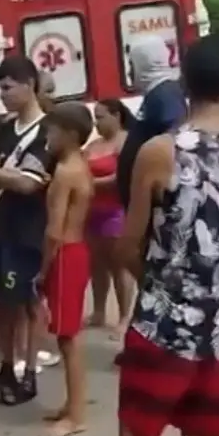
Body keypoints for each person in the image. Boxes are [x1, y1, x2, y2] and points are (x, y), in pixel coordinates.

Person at [96, 32, 219, 436]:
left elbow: (128, 245)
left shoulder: (161, 151)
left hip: (162, 322)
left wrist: (157, 288)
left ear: (186, 84)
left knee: (136, 429)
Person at [0, 56, 51, 406]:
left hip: (30, 231)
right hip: (1, 228)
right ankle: (6, 365)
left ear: (29, 85)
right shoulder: (6, 129)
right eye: (0, 87)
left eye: (8, 87)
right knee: (4, 303)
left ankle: (30, 372)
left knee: (29, 302)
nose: (3, 95)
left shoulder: (47, 131)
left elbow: (28, 184)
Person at [38, 103, 94, 436]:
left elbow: (54, 231)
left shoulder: (65, 172)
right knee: (66, 336)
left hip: (65, 255)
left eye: (53, 129)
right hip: (77, 252)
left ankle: (76, 415)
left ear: (70, 135)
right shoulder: (78, 166)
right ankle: (72, 405)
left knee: (68, 338)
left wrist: (42, 269)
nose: (48, 135)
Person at [116, 35, 187, 211]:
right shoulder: (156, 94)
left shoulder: (164, 96)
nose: (129, 73)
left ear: (144, 63)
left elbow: (171, 139)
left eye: (132, 65)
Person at [84, 99, 136, 335]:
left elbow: (119, 178)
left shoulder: (125, 141)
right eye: (95, 117)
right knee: (97, 264)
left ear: (116, 115)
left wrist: (90, 183)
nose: (97, 122)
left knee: (119, 265)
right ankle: (98, 311)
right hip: (92, 210)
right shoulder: (94, 145)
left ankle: (125, 316)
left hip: (116, 211)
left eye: (101, 116)